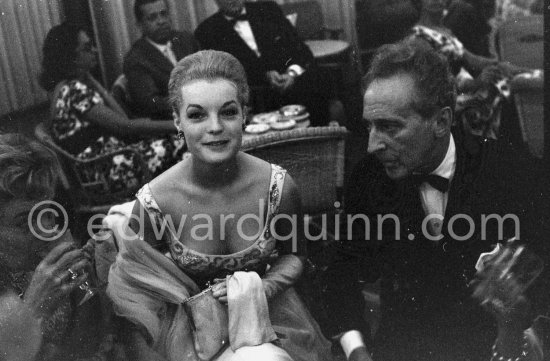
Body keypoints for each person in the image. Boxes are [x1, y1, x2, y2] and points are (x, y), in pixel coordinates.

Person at [324, 39, 545, 360]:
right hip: (403, 344)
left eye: (389, 127)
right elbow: (339, 274)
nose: (372, 145)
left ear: (441, 121)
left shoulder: (508, 169)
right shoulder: (368, 177)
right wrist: (356, 349)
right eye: (369, 126)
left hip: (495, 346)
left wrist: (520, 308)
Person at [106, 50, 333, 361]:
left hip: (269, 320)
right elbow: (136, 291)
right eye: (197, 115)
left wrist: (260, 289)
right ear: (177, 120)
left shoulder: (277, 186)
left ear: (244, 114)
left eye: (228, 112)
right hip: (189, 336)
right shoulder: (155, 202)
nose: (215, 127)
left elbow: (295, 255)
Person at [0, 133, 112, 361]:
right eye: (24, 221)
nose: (45, 230)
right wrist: (31, 312)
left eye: (47, 213)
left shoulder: (42, 266)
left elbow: (91, 341)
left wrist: (88, 286)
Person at [40, 22, 185, 197]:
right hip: (107, 171)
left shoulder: (66, 87)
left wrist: (96, 84)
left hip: (108, 165)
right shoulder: (74, 90)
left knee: (178, 143)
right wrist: (177, 125)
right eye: (87, 48)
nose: (95, 50)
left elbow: (122, 118)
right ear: (71, 57)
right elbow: (126, 126)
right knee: (184, 142)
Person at [194, 0, 333, 126]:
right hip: (254, 98)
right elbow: (222, 75)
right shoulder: (207, 31)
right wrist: (264, 76)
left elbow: (300, 49)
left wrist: (292, 73)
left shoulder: (268, 10)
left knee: (316, 83)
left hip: (292, 87)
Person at [409, 0, 532, 140]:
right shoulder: (419, 38)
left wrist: (499, 64)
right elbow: (435, 85)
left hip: (466, 87)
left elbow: (472, 59)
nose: (439, 1)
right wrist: (477, 83)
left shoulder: (445, 31)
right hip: (450, 100)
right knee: (509, 85)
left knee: (507, 75)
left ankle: (535, 77)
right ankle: (514, 141)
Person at [124, 0, 199, 120]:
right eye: (152, 18)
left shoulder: (186, 39)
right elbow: (151, 103)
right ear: (140, 25)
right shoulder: (136, 59)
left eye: (164, 14)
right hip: (172, 122)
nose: (161, 21)